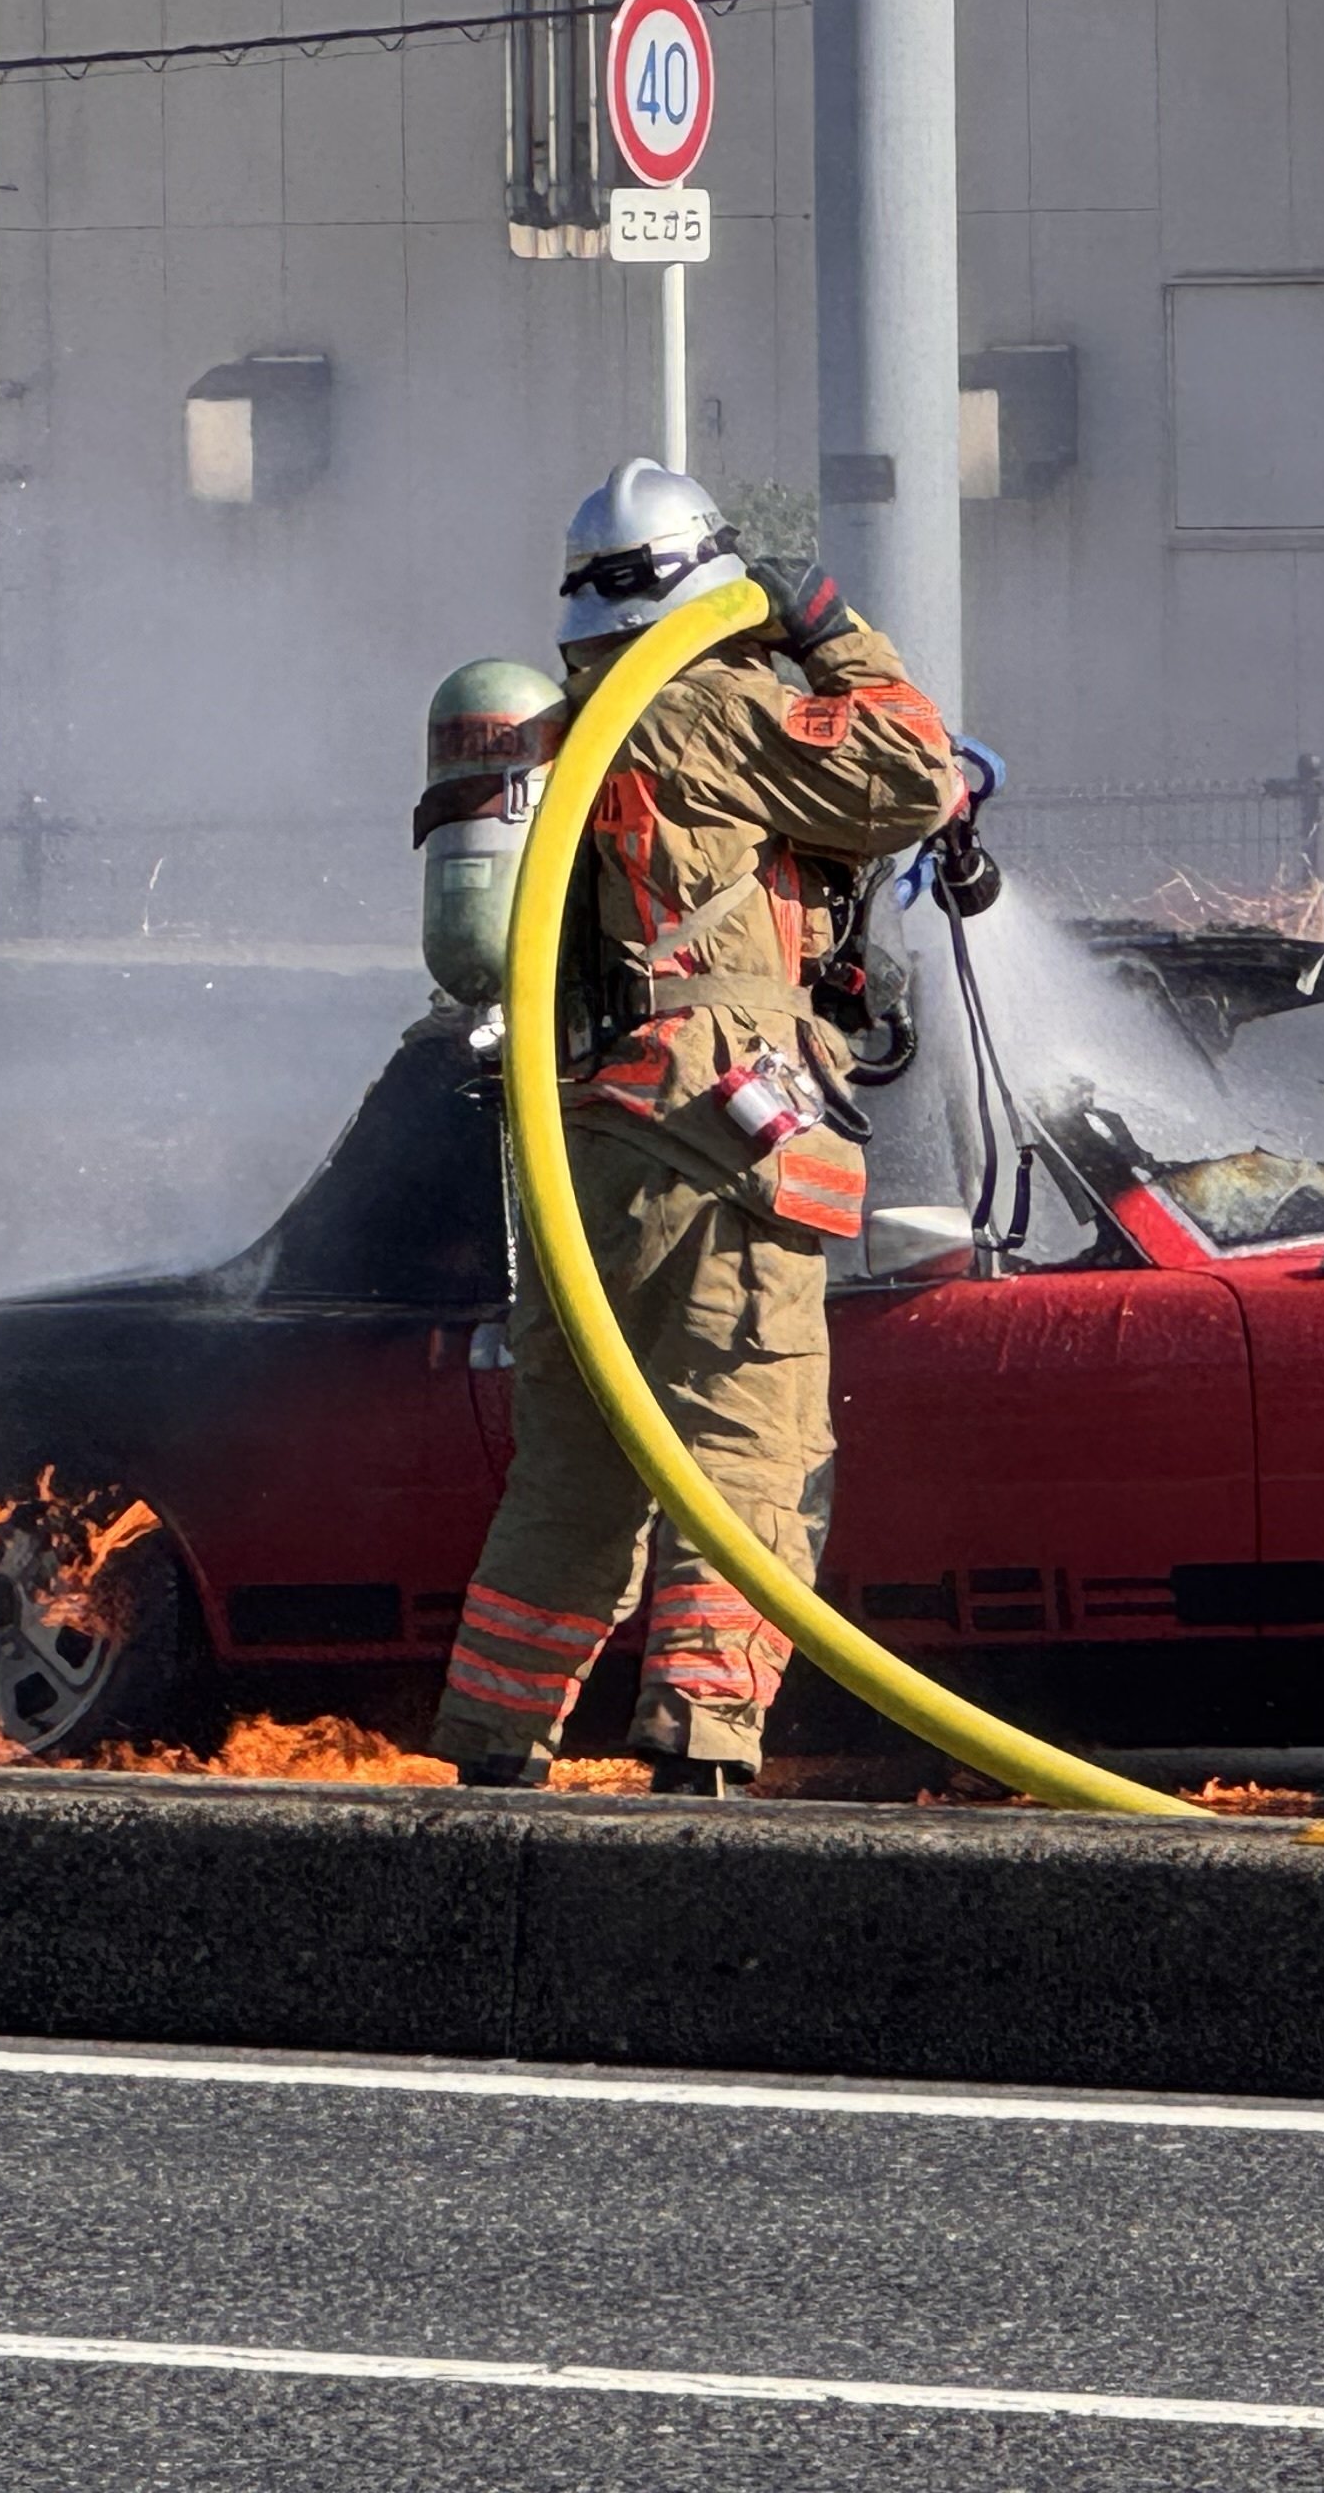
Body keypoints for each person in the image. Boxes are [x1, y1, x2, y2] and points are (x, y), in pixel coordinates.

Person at [430, 462, 961, 1794]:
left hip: (577, 1145)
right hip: (714, 1131)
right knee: (747, 1442)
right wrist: (829, 624)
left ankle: (495, 1746)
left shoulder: (566, 733)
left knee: (576, 1470)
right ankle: (702, 1751)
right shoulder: (711, 706)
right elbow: (914, 773)